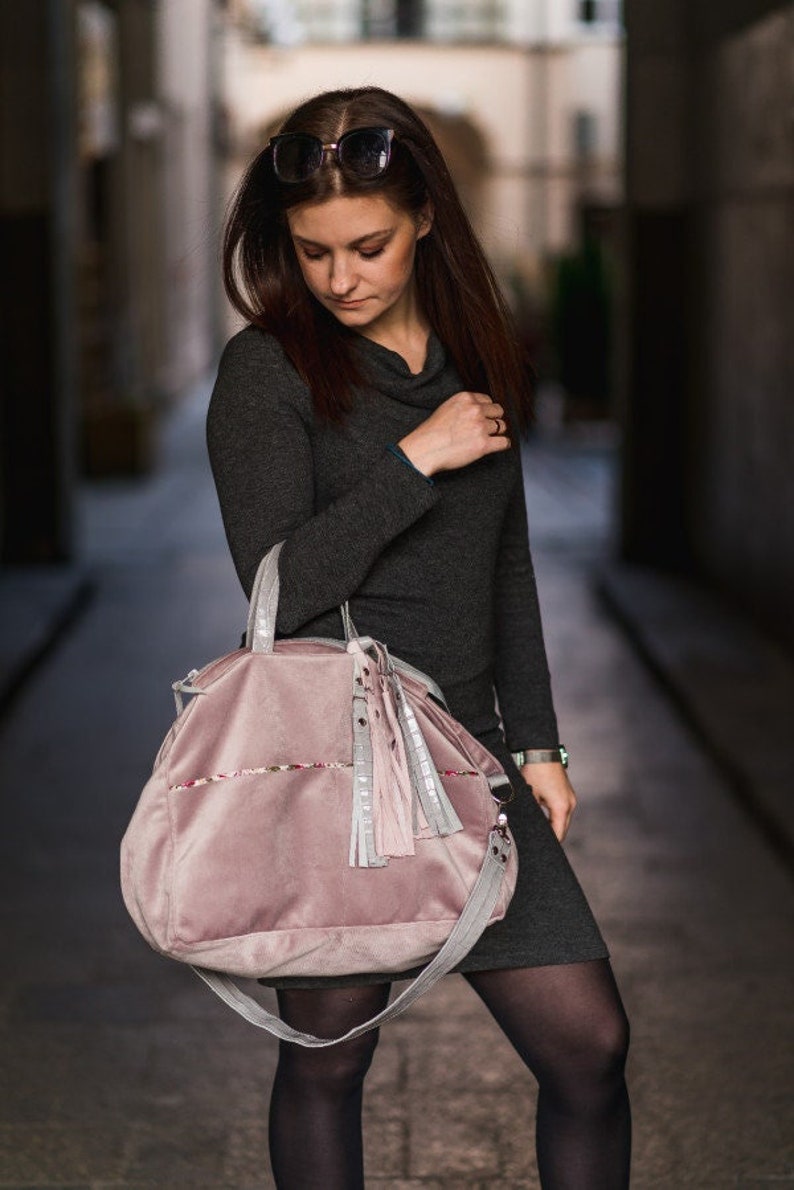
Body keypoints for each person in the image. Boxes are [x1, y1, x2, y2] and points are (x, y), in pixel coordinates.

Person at [207, 86, 631, 1189]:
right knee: (331, 1059)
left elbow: (505, 563)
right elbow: (277, 587)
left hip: (475, 766)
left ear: (426, 218)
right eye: (311, 252)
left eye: (368, 245)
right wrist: (413, 463)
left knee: (587, 1045)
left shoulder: (472, 358)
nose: (339, 277)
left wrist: (538, 744)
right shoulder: (270, 373)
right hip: (348, 770)